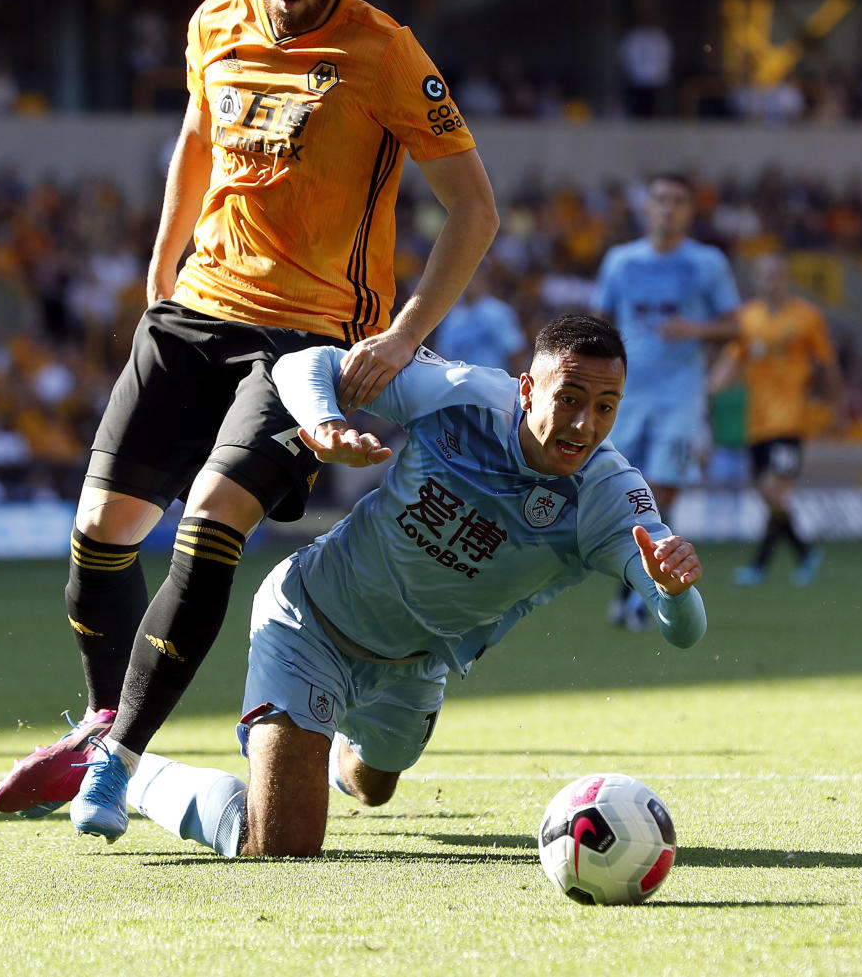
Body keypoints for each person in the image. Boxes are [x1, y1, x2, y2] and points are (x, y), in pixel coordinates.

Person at [0, 0, 499, 819]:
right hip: (195, 310)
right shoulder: (214, 22)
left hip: (306, 341)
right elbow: (195, 136)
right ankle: (108, 717)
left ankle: (119, 761)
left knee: (212, 517)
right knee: (99, 537)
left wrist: (400, 335)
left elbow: (474, 211)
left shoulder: (386, 53)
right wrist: (160, 267)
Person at [67, 314, 706, 847]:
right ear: (527, 389)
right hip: (310, 623)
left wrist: (673, 594)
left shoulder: (609, 496)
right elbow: (302, 366)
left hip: (418, 665)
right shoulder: (460, 393)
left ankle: (319, 744)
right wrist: (322, 423)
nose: (583, 425)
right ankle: (138, 770)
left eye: (605, 407)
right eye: (568, 398)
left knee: (374, 787)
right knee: (280, 845)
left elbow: (683, 632)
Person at [594, 173, 738, 630]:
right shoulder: (620, 261)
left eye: (677, 200)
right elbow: (601, 322)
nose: (667, 208)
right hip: (626, 395)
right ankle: (634, 590)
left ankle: (638, 595)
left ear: (690, 211)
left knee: (661, 491)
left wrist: (695, 330)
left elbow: (735, 326)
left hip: (679, 397)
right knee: (626, 495)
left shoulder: (707, 263)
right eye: (659, 199)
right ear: (646, 207)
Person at [709, 252, 843, 587]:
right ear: (757, 280)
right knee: (770, 495)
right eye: (765, 275)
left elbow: (826, 363)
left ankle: (767, 563)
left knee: (773, 489)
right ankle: (798, 555)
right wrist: (707, 389)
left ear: (787, 278)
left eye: (778, 274)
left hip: (791, 419)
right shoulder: (747, 318)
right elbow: (731, 362)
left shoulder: (807, 317)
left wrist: (836, 403)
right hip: (757, 422)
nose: (772, 281)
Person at [433, 261, 527, 374]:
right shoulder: (453, 316)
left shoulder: (498, 311)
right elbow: (443, 357)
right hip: (462, 386)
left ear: (483, 278)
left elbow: (516, 352)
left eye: (474, 277)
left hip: (495, 385)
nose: (469, 283)